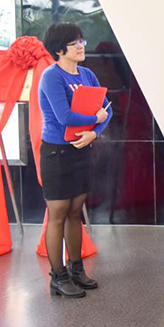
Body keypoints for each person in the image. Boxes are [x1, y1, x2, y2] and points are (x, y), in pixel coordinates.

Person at [40, 23, 112, 298]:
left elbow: (107, 109)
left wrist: (94, 132)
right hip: (56, 153)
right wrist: (95, 119)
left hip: (81, 151)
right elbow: (65, 117)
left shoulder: (87, 74)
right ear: (59, 50)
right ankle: (58, 277)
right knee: (58, 214)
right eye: (74, 43)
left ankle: (77, 270)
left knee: (75, 212)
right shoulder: (52, 76)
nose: (81, 46)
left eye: (81, 41)